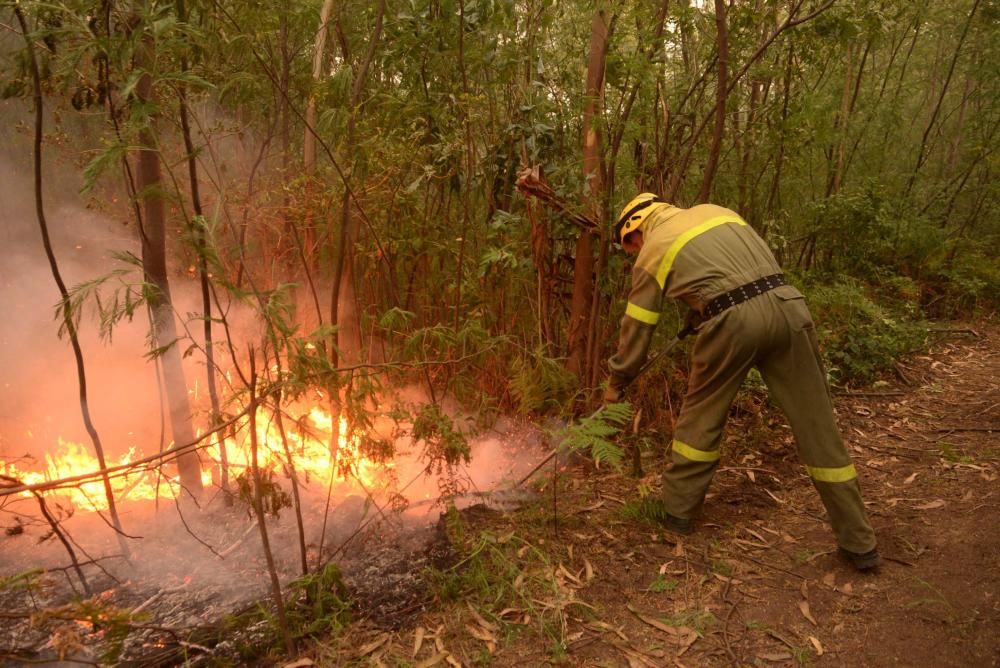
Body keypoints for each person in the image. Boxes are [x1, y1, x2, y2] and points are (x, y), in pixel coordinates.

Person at [604, 193, 880, 571]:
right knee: (819, 428)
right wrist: (702, 310)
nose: (634, 254)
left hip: (734, 324)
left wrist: (620, 377)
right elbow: (741, 277)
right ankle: (860, 543)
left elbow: (638, 325)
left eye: (629, 246)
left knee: (700, 419)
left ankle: (677, 513)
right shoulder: (716, 212)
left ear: (634, 229)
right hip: (790, 307)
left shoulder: (654, 247)